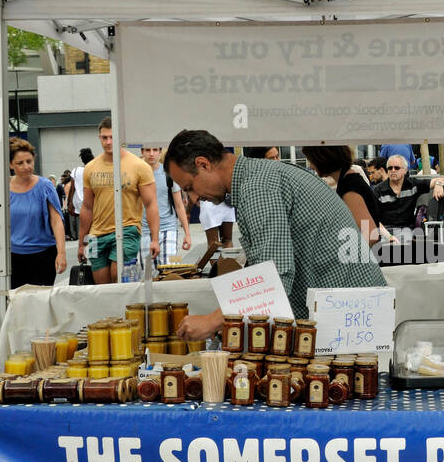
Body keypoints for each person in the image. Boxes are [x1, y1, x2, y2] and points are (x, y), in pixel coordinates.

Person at [166, 130, 388, 338]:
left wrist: (212, 320)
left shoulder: (257, 187)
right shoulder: (258, 178)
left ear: (203, 164)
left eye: (189, 187)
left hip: (353, 320)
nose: (194, 199)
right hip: (350, 312)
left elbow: (273, 275)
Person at [77, 116, 159, 283]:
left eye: (113, 137)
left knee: (119, 278)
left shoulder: (139, 166)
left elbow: (150, 204)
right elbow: (86, 207)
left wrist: (155, 239)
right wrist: (82, 242)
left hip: (128, 229)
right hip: (95, 235)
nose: (108, 142)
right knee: (101, 287)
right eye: (104, 137)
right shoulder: (90, 167)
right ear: (99, 138)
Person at [0, 138, 66, 288]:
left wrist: (61, 253)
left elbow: (56, 220)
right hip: (14, 257)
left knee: (40, 302)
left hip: (43, 255)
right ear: (10, 165)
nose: (26, 166)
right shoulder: (4, 188)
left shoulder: (45, 186)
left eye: (29, 161)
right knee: (18, 303)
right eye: (20, 163)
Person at [302, 145, 383, 246]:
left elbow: (370, 235)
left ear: (322, 159)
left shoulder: (349, 185)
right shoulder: (349, 180)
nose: (311, 166)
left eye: (311, 160)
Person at [140, 144, 192, 265]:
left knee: (170, 267)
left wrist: (187, 234)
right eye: (148, 150)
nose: (151, 154)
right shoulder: (137, 174)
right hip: (144, 230)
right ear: (142, 151)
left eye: (155, 149)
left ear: (160, 152)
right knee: (147, 273)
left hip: (168, 228)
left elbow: (179, 206)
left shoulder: (169, 174)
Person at [373, 153, 444, 231]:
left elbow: (442, 179)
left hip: (408, 230)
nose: (393, 170)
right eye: (390, 168)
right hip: (386, 231)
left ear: (405, 170)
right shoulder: (378, 190)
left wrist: (438, 184)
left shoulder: (413, 185)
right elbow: (374, 218)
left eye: (397, 168)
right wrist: (388, 236)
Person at [67, 147, 92, 241]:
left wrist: (69, 203)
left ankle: (84, 245)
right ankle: (91, 247)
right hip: (91, 202)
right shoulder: (93, 169)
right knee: (92, 227)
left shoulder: (76, 170)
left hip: (78, 202)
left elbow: (72, 188)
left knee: (83, 226)